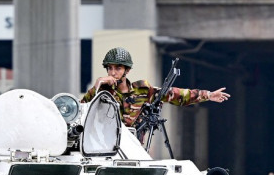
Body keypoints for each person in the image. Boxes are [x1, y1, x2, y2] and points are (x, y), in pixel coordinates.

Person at [80, 47, 231, 132]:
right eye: (110, 68)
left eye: (118, 68)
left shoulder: (143, 91)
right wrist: (97, 86)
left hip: (132, 150)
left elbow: (176, 95)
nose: (113, 73)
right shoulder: (102, 92)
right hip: (104, 148)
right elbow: (82, 109)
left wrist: (208, 95)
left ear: (127, 71)